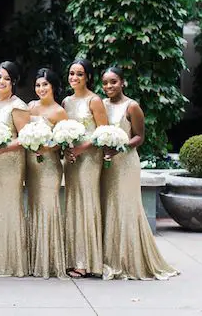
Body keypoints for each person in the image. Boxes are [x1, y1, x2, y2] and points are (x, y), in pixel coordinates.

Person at [100, 67, 179, 280]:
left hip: (125, 163)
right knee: (109, 207)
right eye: (105, 82)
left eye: (113, 82)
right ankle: (109, 257)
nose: (109, 86)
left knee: (126, 207)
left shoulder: (132, 106)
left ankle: (129, 260)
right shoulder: (101, 105)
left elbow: (139, 137)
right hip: (106, 164)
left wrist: (120, 146)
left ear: (123, 82)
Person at [62, 59, 108, 278]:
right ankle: (73, 257)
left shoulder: (94, 100)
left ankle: (87, 261)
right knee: (73, 203)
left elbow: (103, 133)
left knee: (86, 203)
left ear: (88, 76)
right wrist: (67, 148)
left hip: (89, 159)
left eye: (79, 74)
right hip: (71, 158)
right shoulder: (66, 102)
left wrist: (82, 148)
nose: (74, 78)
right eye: (72, 73)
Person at [0, 61, 30, 277]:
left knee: (8, 206)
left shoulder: (18, 105)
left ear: (13, 82)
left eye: (6, 78)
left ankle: (10, 260)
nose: (0, 82)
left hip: (10, 161)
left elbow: (25, 138)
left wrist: (3, 149)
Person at [26, 68, 68, 279]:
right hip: (32, 164)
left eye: (45, 85)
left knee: (48, 207)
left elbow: (62, 140)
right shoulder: (30, 107)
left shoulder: (59, 111)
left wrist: (46, 147)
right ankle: (34, 259)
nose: (41, 89)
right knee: (34, 206)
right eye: (38, 85)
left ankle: (49, 260)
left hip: (50, 166)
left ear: (53, 86)